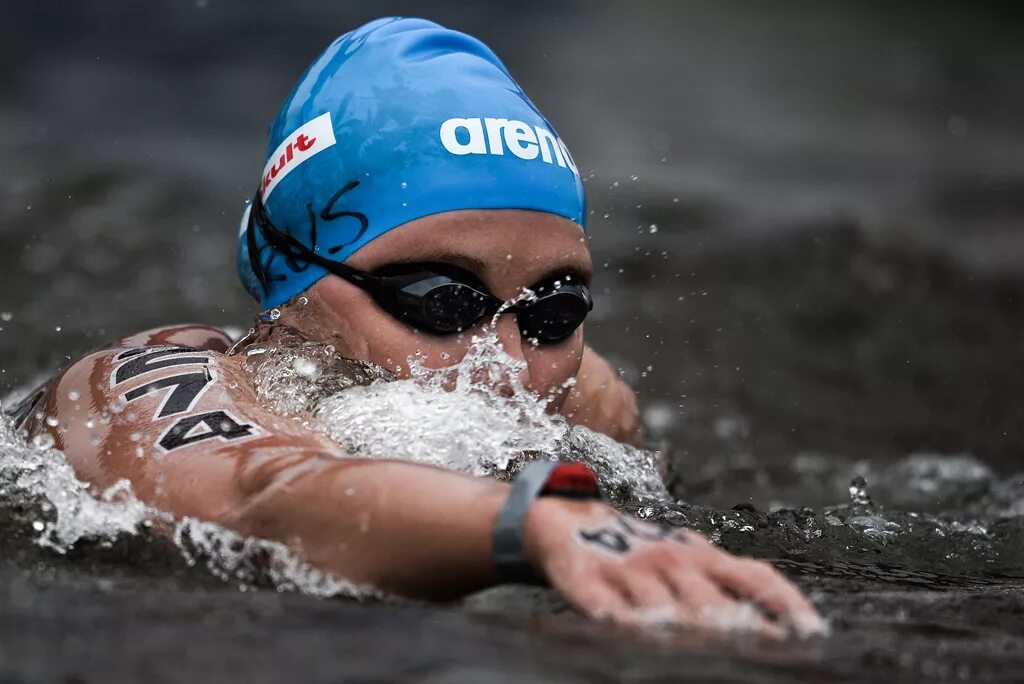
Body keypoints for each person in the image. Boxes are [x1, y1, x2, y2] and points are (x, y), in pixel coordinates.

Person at [12, 18, 824, 636]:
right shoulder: (144, 384)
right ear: (295, 272)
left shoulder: (584, 399)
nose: (507, 366)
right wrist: (532, 524)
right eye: (441, 299)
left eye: (554, 309)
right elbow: (261, 498)